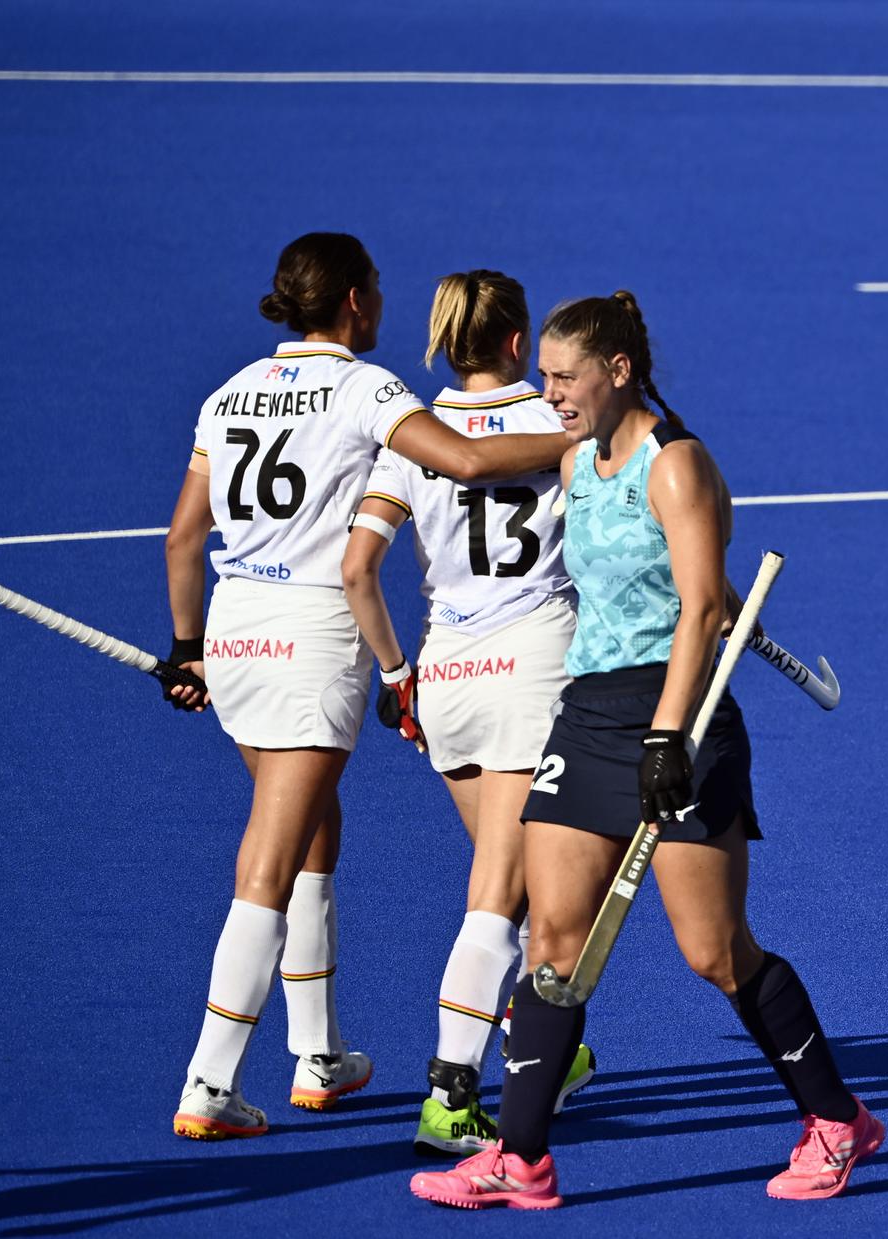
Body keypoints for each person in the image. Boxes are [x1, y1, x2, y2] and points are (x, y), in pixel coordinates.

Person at [409, 291, 880, 1209]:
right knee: (552, 941)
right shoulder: (576, 456)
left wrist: (668, 733)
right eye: (541, 373)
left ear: (618, 371)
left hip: (681, 720)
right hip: (586, 717)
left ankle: (836, 1118)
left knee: (712, 951)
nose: (548, 392)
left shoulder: (677, 465)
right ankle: (522, 1156)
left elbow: (702, 608)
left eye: (563, 375)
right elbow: (484, 467)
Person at [165, 233, 569, 1138]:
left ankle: (319, 1054)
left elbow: (183, 540)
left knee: (313, 827)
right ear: (353, 300)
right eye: (375, 288)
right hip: (315, 641)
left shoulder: (225, 394)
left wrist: (186, 650)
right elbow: (463, 460)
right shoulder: (369, 389)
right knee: (269, 857)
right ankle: (209, 1080)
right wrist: (585, 437)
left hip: (235, 630)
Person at [339, 270, 594, 1156]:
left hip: (446, 674)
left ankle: (547, 1053)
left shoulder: (414, 439)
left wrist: (397, 675)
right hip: (535, 671)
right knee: (499, 896)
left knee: (522, 893)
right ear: (522, 344)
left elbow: (358, 571)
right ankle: (451, 1091)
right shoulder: (563, 420)